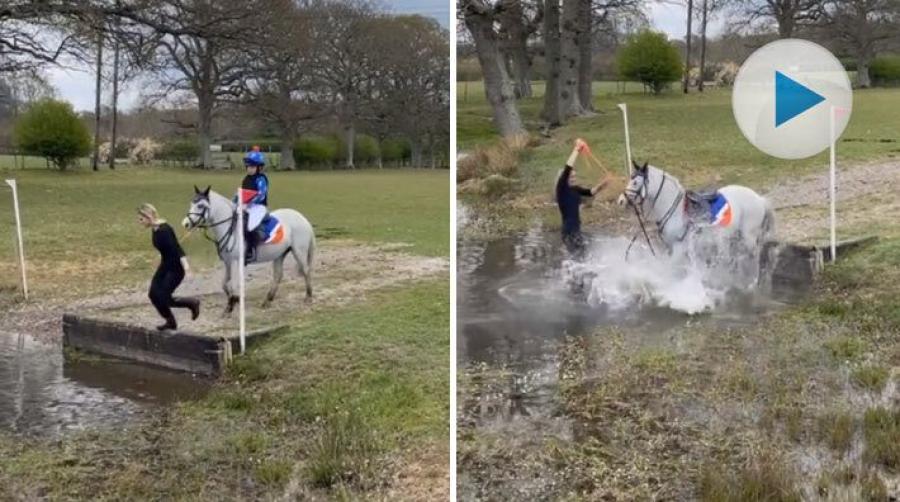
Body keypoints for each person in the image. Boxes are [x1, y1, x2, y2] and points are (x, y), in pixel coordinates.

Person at [138, 203, 200, 331]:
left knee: (164, 297)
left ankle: (192, 303)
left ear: (149, 216)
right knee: (153, 294)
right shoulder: (155, 228)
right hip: (165, 266)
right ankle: (170, 322)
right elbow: (166, 249)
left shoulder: (164, 230)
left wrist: (187, 268)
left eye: (141, 218)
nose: (139, 222)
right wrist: (160, 257)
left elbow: (177, 249)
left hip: (176, 269)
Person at [556, 139, 611, 256]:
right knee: (578, 257)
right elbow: (567, 168)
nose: (573, 178)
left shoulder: (575, 189)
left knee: (582, 255)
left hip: (576, 230)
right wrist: (576, 149)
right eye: (571, 177)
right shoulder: (561, 189)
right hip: (568, 232)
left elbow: (591, 192)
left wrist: (603, 184)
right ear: (565, 178)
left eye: (575, 177)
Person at [236, 146, 269, 264]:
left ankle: (251, 251)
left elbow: (261, 195)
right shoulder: (246, 179)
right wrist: (233, 202)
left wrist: (248, 204)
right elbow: (240, 193)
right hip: (246, 206)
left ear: (259, 167)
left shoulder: (261, 179)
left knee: (250, 226)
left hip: (258, 207)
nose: (249, 169)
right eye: (248, 166)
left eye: (252, 166)